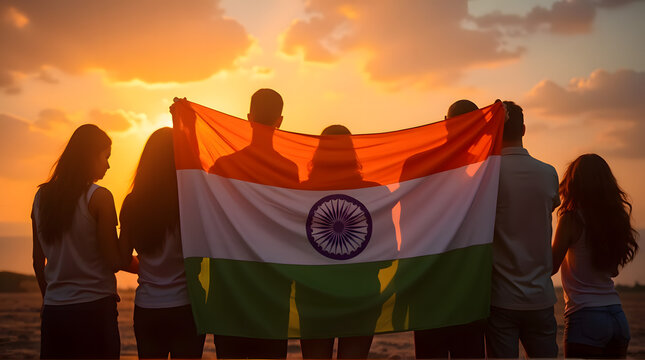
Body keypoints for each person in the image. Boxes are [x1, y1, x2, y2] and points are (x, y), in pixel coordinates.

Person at [208, 88, 299, 359]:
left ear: (248, 117)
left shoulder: (223, 166)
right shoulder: (289, 169)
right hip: (272, 279)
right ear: (280, 121)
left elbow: (210, 216)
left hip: (230, 278)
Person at [397, 99, 486, 359]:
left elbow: (405, 221)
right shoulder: (482, 170)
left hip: (428, 277)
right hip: (464, 281)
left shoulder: (416, 163)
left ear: (445, 122)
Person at [296, 124, 394, 359]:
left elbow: (290, 251)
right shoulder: (376, 193)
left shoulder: (300, 193)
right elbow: (387, 258)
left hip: (313, 299)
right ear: (353, 155)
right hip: (360, 296)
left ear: (318, 155)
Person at [31, 124, 121, 359]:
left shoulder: (41, 197)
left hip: (55, 313)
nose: (108, 165)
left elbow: (37, 260)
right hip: (95, 309)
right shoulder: (100, 197)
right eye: (106, 157)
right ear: (91, 155)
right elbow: (112, 261)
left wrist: (50, 298)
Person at [118, 127, 205, 359]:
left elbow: (121, 258)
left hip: (148, 307)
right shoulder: (190, 201)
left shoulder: (132, 203)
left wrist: (148, 267)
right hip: (186, 306)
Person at [485, 101, 559, 358]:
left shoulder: (487, 176)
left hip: (500, 297)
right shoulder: (549, 173)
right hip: (540, 295)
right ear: (524, 130)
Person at [552, 153, 638, 358]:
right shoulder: (614, 220)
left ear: (574, 183)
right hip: (617, 315)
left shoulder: (571, 218)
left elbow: (551, 266)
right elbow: (613, 271)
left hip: (585, 316)